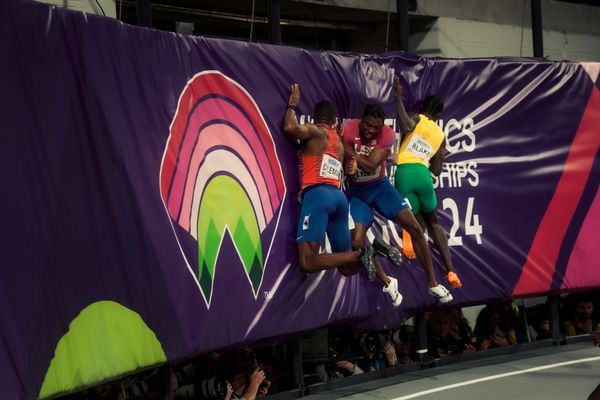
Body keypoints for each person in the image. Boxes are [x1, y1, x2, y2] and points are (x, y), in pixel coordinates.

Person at [343, 84, 452, 303]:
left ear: (382, 127)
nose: (369, 131)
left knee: (414, 225)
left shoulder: (388, 134)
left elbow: (370, 163)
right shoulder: (349, 130)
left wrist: (346, 150)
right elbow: (348, 164)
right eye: (367, 125)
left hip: (381, 188)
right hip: (358, 193)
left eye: (375, 127)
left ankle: (433, 284)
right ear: (361, 120)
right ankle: (388, 282)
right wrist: (348, 164)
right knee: (356, 241)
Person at [283, 83, 374, 278]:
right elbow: (348, 165)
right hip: (339, 199)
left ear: (315, 118)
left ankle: (361, 253)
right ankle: (363, 253)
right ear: (334, 120)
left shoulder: (317, 131)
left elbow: (290, 127)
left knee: (307, 261)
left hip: (318, 196)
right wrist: (351, 166)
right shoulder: (339, 143)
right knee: (347, 268)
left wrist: (292, 106)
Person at [394, 76, 462, 290]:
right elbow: (437, 170)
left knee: (412, 217)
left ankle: (408, 231)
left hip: (404, 171)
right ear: (439, 115)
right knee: (433, 221)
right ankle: (450, 270)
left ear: (423, 108)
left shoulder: (417, 118)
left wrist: (397, 98)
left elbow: (404, 124)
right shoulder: (441, 135)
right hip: (423, 175)